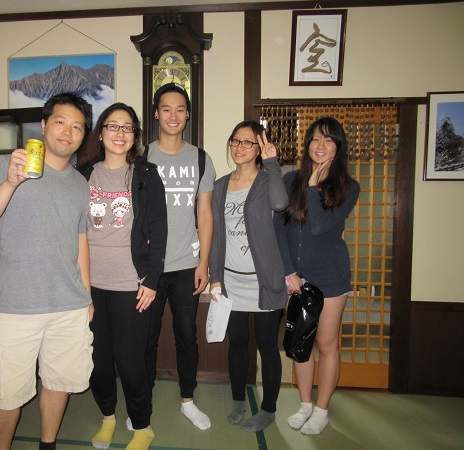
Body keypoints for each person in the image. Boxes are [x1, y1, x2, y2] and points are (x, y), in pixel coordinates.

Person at [0, 93, 94, 450]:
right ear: (43, 125)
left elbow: (81, 242)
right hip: (17, 304)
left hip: (69, 304)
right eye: (60, 122)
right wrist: (11, 182)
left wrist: (87, 296)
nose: (68, 132)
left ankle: (47, 444)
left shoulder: (80, 184)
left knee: (59, 381)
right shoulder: (9, 167)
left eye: (77, 127)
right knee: (6, 391)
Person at [76, 103, 167, 450]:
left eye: (127, 127)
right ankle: (108, 418)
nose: (119, 133)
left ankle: (143, 427)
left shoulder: (146, 174)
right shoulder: (83, 174)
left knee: (131, 362)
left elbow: (159, 228)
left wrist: (152, 279)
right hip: (89, 284)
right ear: (100, 133)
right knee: (98, 362)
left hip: (132, 283)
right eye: (112, 126)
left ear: (135, 136)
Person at [273, 116, 360, 435]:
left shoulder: (349, 187)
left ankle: (321, 410)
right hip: (298, 278)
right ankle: (305, 405)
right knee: (301, 343)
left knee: (326, 343)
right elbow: (278, 228)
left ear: (338, 147)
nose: (320, 145)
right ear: (307, 144)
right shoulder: (289, 180)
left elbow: (321, 226)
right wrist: (288, 272)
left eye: (329, 139)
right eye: (315, 139)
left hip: (331, 277)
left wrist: (312, 187)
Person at [144, 83, 216, 431]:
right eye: (166, 108)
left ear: (187, 115)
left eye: (180, 109)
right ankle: (141, 403)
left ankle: (188, 399)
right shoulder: (140, 157)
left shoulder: (201, 159)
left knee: (188, 337)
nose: (173, 115)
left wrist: (204, 263)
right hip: (149, 268)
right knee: (146, 338)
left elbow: (205, 215)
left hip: (187, 265)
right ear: (156, 114)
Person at [209, 120, 288, 432]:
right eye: (235, 141)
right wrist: (215, 277)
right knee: (238, 342)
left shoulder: (268, 180)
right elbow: (215, 234)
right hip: (231, 280)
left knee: (267, 345)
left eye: (247, 142)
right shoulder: (219, 186)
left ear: (258, 148)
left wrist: (272, 162)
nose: (239, 147)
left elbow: (280, 204)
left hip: (263, 280)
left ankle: (268, 409)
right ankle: (238, 399)